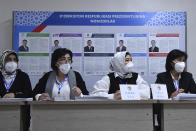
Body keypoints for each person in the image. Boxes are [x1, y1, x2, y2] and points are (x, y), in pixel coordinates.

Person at [154, 49, 196, 131]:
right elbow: (156, 97)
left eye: (183, 60)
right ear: (171, 62)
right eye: (179, 60)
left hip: (185, 113)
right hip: (167, 113)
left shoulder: (188, 76)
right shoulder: (161, 77)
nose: (182, 63)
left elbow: (194, 91)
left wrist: (185, 96)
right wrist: (171, 96)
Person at [0, 50, 32, 130]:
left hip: (20, 116)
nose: (12, 62)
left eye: (15, 60)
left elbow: (29, 94)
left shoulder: (23, 76)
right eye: (9, 59)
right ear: (3, 61)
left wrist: (15, 95)